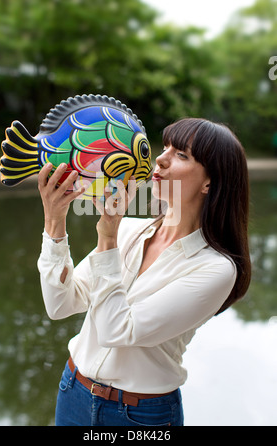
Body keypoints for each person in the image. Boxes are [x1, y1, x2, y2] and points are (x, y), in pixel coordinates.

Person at [37, 118, 251, 427]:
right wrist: (55, 223)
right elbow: (60, 305)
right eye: (165, 147)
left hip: (140, 416)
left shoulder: (216, 269)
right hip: (73, 391)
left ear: (210, 182)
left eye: (181, 155)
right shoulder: (129, 229)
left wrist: (107, 238)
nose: (160, 159)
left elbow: (116, 331)